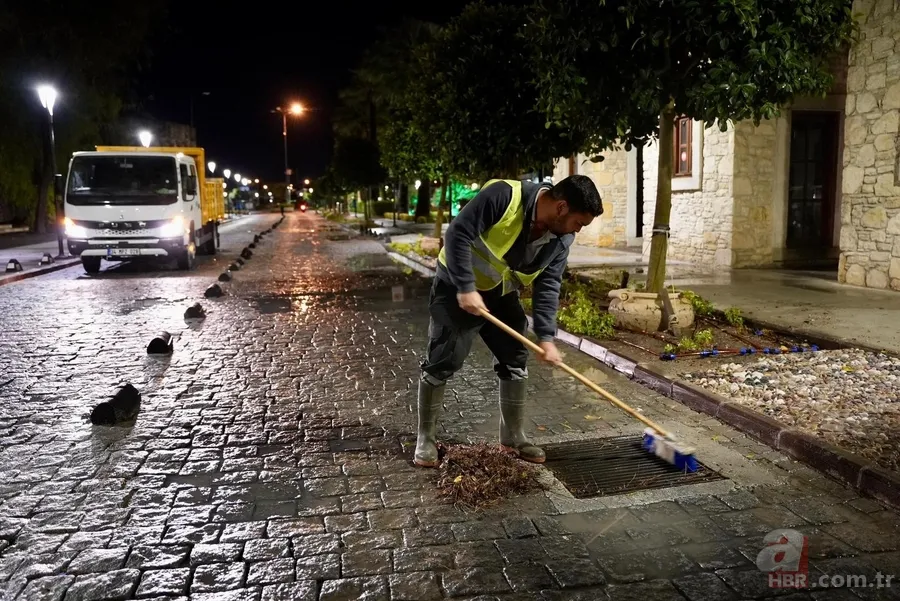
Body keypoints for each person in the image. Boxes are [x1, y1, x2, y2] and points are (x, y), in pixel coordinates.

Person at [414, 175, 603, 467]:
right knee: (443, 359)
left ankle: (513, 436)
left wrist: (546, 337)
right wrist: (466, 287)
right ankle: (425, 438)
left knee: (515, 355)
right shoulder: (503, 197)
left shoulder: (561, 239)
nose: (578, 230)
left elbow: (549, 285)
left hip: (500, 294)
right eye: (579, 223)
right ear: (562, 207)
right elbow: (458, 235)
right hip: (456, 286)